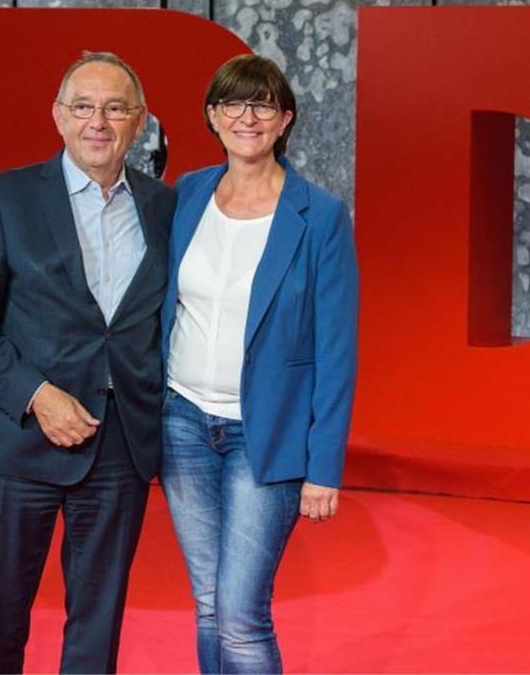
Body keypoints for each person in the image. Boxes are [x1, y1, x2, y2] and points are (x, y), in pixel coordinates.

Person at [0, 51, 175, 674]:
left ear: (139, 120)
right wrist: (38, 394)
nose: (98, 121)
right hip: (19, 443)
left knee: (98, 623)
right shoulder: (7, 197)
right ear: (58, 116)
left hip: (119, 446)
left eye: (116, 108)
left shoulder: (164, 208)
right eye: (83, 106)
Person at [159, 53, 359, 673]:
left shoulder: (319, 215)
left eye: (262, 104)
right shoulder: (187, 194)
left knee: (242, 614)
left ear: (284, 119)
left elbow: (336, 347)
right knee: (209, 605)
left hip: (264, 438)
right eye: (231, 104)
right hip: (182, 423)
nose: (246, 117)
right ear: (211, 117)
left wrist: (324, 467)